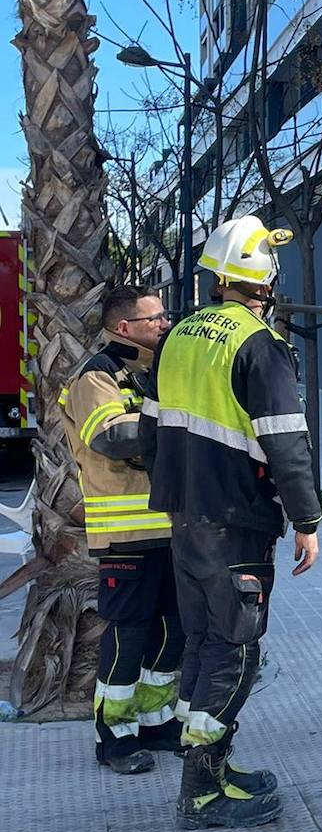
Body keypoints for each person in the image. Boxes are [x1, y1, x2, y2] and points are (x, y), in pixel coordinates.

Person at [140, 215, 321, 830]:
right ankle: (202, 789)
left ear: (217, 276)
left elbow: (149, 430)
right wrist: (307, 518)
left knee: (204, 642)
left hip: (185, 514)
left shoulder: (178, 336)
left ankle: (209, 773)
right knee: (237, 650)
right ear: (265, 278)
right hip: (235, 521)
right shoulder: (259, 345)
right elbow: (287, 442)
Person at [60, 286, 182, 775]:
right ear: (124, 327)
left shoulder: (155, 371)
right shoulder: (97, 375)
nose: (165, 325)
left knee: (172, 632)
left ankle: (156, 721)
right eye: (155, 319)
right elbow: (111, 438)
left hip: (171, 526)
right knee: (129, 635)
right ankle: (115, 735)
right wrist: (167, 416)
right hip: (125, 533)